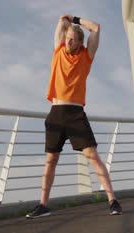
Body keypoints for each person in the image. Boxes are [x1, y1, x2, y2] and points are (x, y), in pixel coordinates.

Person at [26, 14, 122, 219]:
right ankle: (43, 205)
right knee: (51, 160)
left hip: (76, 114)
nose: (67, 42)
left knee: (92, 156)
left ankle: (113, 200)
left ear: (80, 42)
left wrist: (76, 19)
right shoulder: (58, 50)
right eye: (67, 38)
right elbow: (62, 22)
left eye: (72, 39)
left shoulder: (86, 57)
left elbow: (96, 27)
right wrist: (66, 19)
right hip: (56, 113)